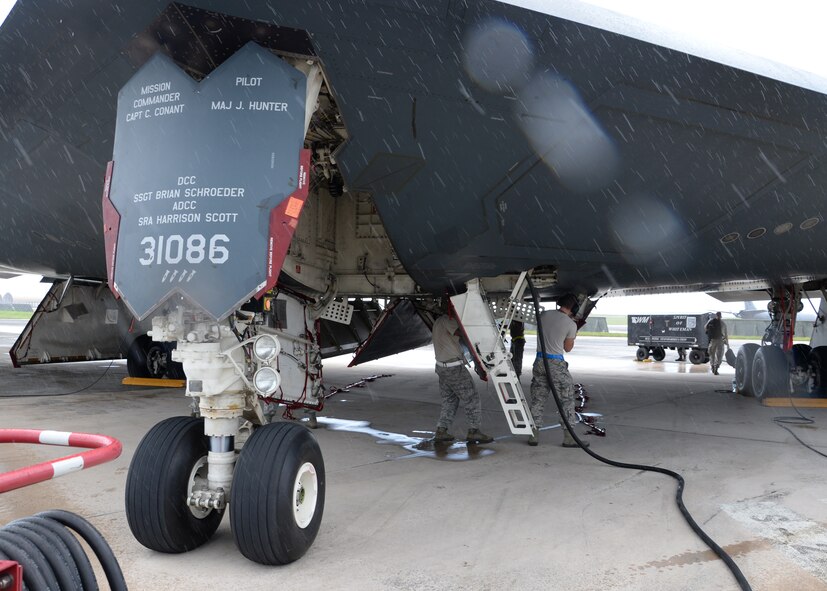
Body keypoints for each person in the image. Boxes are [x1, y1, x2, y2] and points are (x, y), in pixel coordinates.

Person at [527, 293, 587, 448]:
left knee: (538, 398)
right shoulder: (570, 324)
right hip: (555, 363)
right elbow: (568, 348)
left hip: (539, 361)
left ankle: (533, 435)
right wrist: (573, 333)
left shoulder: (544, 315)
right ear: (574, 308)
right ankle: (569, 437)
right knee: (566, 399)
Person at [432, 307, 494, 445]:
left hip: (442, 367)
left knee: (450, 400)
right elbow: (462, 334)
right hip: (454, 368)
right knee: (472, 398)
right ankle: (474, 431)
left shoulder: (438, 321)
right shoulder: (449, 320)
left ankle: (441, 430)